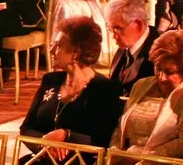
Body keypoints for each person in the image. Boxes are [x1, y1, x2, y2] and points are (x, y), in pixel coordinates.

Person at [21, 17, 123, 149]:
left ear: (76, 52)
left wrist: (67, 136)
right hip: (40, 160)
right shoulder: (50, 80)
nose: (51, 50)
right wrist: (46, 144)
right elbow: (26, 128)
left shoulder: (106, 89)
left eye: (58, 46)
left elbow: (104, 141)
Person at [113, 27, 183, 158]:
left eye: (169, 72)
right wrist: (115, 152)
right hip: (122, 163)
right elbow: (120, 128)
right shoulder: (141, 85)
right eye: (157, 68)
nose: (161, 77)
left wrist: (138, 159)